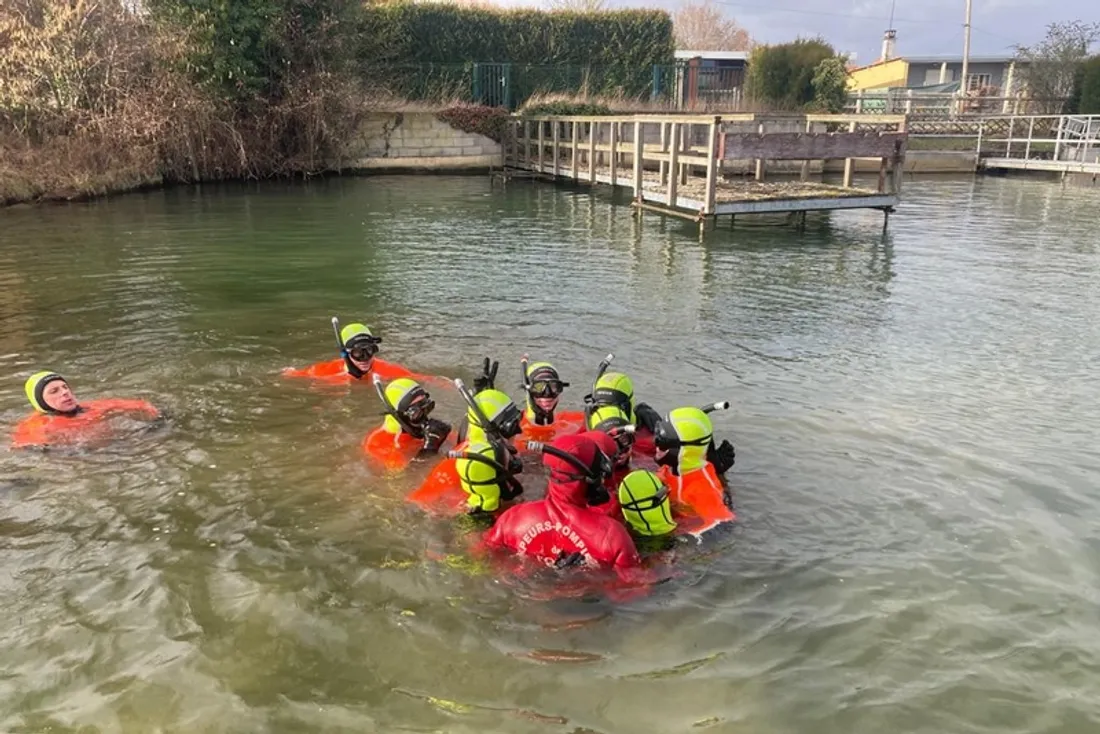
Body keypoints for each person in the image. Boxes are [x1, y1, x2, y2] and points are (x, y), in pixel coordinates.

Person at [482, 433, 647, 582]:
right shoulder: (612, 535)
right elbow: (631, 593)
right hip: (587, 611)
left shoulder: (511, 519)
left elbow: (484, 561)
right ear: (593, 478)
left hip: (525, 607)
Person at [406, 382, 525, 515]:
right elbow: (419, 502)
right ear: (492, 430)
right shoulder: (464, 460)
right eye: (511, 426)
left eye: (517, 421)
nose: (518, 431)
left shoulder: (503, 450)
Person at [12, 371, 161, 449]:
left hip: (119, 447)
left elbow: (137, 404)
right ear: (40, 401)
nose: (64, 392)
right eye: (54, 391)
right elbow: (26, 451)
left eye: (65, 387)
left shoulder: (91, 407)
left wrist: (152, 411)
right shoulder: (36, 425)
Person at [651, 405, 737, 534]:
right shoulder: (670, 467)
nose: (655, 445)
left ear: (684, 450)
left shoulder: (701, 488)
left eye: (662, 442)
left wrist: (678, 538)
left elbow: (723, 525)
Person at [282, 320, 429, 383]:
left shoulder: (386, 370)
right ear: (346, 353)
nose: (365, 359)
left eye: (369, 351)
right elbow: (292, 374)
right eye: (358, 354)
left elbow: (423, 378)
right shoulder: (325, 371)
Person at [361, 377, 451, 471]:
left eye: (427, 407)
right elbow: (404, 480)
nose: (424, 416)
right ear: (400, 415)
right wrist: (429, 450)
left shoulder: (428, 431)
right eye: (416, 412)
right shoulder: (378, 444)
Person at [516, 357, 585, 442]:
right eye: (539, 387)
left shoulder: (576, 420)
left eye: (553, 386)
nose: (547, 394)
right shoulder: (514, 428)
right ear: (528, 391)